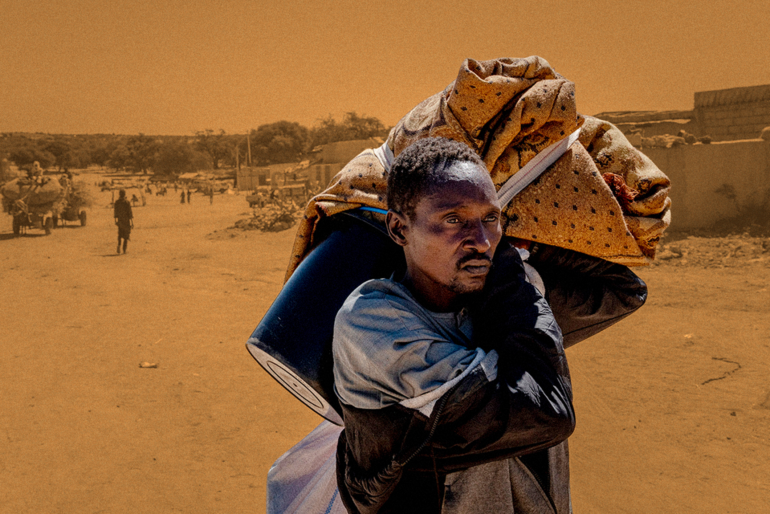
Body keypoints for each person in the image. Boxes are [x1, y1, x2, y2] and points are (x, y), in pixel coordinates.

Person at [333, 137, 575, 513]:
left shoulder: (490, 303)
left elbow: (623, 290)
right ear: (399, 229)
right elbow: (547, 413)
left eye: (491, 219)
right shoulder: (371, 323)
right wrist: (513, 276)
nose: (481, 241)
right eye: (453, 220)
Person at [114, 189, 133, 254]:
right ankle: (124, 249)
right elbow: (130, 212)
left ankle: (119, 245)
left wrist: (116, 220)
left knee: (120, 233)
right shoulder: (127, 202)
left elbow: (115, 212)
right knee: (126, 235)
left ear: (119, 194)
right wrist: (131, 221)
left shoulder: (117, 202)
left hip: (120, 220)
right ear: (124, 194)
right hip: (126, 221)